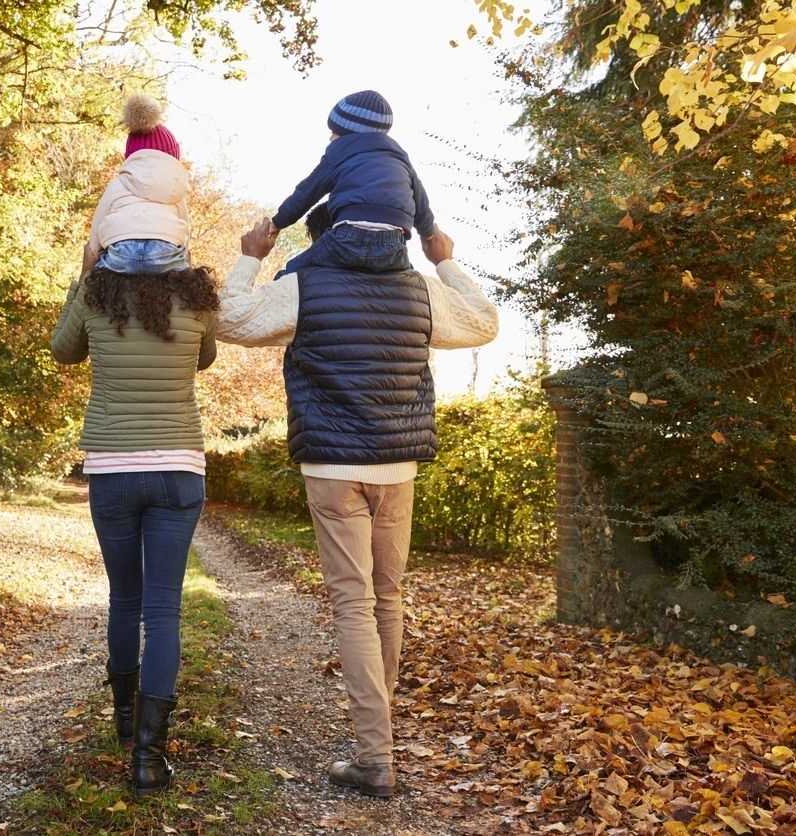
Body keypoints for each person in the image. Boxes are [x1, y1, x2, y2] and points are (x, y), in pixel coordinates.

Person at [215, 215, 499, 798]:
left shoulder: (305, 284)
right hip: (398, 465)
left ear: (322, 236)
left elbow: (227, 318)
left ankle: (375, 756)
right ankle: (378, 743)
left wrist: (250, 255)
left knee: (353, 602)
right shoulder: (419, 287)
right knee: (386, 597)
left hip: (332, 466)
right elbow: (485, 323)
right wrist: (444, 257)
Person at [52, 233, 218, 795]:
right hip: (177, 466)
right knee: (163, 610)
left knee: (124, 597)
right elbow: (205, 358)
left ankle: (125, 723)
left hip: (113, 467)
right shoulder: (196, 300)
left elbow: (63, 350)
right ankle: (149, 758)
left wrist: (82, 275)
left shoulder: (97, 297)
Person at [270, 90, 435, 279]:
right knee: (408, 278)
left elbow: (307, 192)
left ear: (350, 133)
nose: (330, 138)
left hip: (347, 236)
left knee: (290, 273)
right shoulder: (400, 158)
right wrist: (428, 234)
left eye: (334, 132)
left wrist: (278, 222)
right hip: (394, 243)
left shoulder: (339, 152)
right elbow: (421, 203)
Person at [79, 92, 191, 279]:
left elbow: (97, 231)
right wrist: (185, 262)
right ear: (172, 157)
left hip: (122, 255)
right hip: (164, 255)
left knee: (100, 271)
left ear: (130, 156)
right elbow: (185, 228)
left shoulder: (118, 183)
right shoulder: (175, 189)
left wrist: (90, 263)